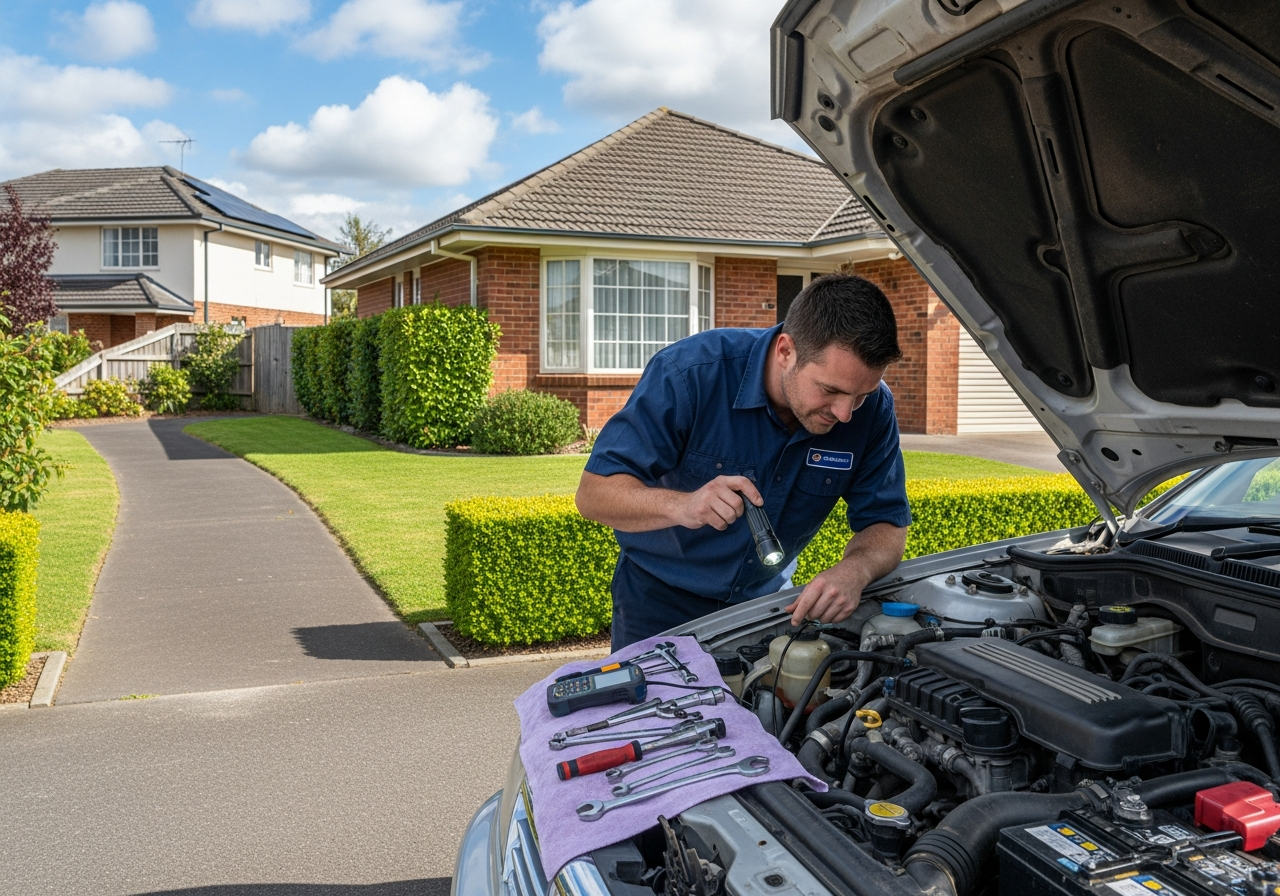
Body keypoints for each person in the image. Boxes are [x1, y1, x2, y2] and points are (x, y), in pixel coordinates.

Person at [576, 272, 912, 650]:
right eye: (830, 390)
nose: (846, 413)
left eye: (861, 395)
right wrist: (683, 505)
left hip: (767, 606)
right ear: (786, 351)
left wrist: (856, 569)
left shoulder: (874, 410)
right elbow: (594, 493)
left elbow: (886, 522)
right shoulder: (691, 374)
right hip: (657, 605)